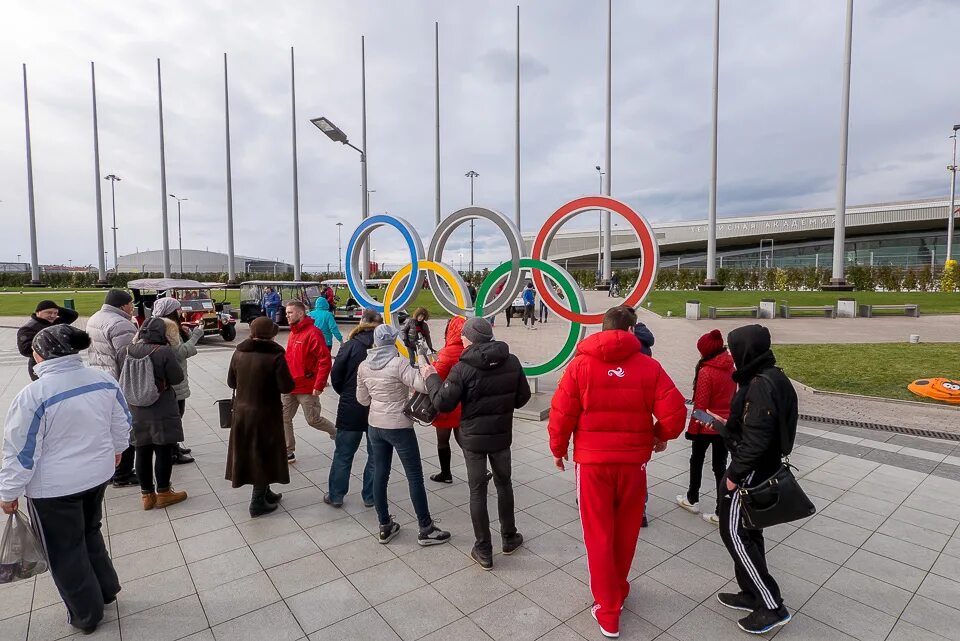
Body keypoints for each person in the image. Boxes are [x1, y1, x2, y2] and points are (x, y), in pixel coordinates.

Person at [548, 306, 686, 639]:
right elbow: (676, 411)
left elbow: (562, 411)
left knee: (598, 534)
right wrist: (659, 435)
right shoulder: (649, 366)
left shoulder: (580, 365)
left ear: (602, 327)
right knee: (626, 531)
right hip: (633, 465)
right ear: (633, 329)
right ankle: (617, 590)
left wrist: (558, 448)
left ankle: (607, 609)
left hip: (593, 466)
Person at [0, 325, 129, 635]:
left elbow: (20, 450)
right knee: (89, 531)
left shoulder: (34, 394)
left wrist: (9, 491)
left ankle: (87, 612)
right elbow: (122, 421)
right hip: (97, 475)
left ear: (42, 354)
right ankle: (106, 588)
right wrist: (117, 449)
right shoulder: (103, 379)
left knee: (65, 548)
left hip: (54, 489)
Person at [423, 317, 531, 569]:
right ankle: (509, 537)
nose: (460, 338)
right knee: (504, 485)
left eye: (463, 335)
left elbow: (442, 402)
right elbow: (522, 398)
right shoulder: (511, 361)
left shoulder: (463, 368)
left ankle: (483, 548)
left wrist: (430, 377)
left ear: (470, 338)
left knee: (477, 490)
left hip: (473, 437)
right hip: (501, 435)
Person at [715, 324, 797, 635]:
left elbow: (758, 438)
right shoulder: (771, 376)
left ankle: (771, 604)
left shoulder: (761, 384)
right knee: (750, 531)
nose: (732, 356)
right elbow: (759, 428)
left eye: (734, 349)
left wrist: (734, 476)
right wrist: (730, 426)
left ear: (745, 351)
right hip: (761, 466)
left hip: (749, 471)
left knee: (734, 533)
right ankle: (750, 592)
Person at [356, 324, 450, 546]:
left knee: (380, 474)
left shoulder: (363, 366)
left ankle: (384, 525)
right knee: (414, 476)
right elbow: (423, 385)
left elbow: (362, 399)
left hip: (375, 425)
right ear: (393, 341)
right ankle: (425, 528)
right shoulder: (397, 363)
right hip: (399, 425)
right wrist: (423, 362)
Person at [226, 317, 296, 517]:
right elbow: (286, 386)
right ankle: (257, 501)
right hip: (266, 412)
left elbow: (231, 382)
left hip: (242, 412)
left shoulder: (239, 352)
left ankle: (265, 491)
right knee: (263, 453)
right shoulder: (275, 356)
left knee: (252, 451)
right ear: (270, 334)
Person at [118, 317, 188, 511]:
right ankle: (164, 492)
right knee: (163, 449)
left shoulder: (125, 350)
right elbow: (177, 377)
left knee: (142, 450)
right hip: (161, 405)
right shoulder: (163, 351)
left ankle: (147, 495)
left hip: (135, 407)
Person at [325, 309, 382, 508]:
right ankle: (370, 496)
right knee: (375, 456)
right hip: (377, 408)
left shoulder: (349, 346)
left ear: (362, 321)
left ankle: (336, 495)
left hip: (351, 407)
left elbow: (336, 375)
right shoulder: (385, 347)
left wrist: (347, 394)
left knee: (343, 454)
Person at [677, 329, 734, 526]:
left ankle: (692, 498)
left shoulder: (706, 371)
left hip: (705, 426)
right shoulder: (730, 368)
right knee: (720, 467)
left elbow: (699, 407)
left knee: (697, 461)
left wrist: (692, 431)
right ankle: (721, 510)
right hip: (724, 427)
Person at [86, 289, 140, 488]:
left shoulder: (95, 318)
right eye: (131, 303)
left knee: (109, 428)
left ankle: (110, 470)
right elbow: (128, 358)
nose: (132, 307)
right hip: (119, 381)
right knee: (125, 428)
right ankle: (123, 473)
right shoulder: (120, 324)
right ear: (123, 305)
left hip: (101, 378)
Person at [282, 301, 335, 462]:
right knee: (283, 418)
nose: (287, 316)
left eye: (290, 312)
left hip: (307, 387)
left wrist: (319, 385)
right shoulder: (293, 333)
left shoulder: (313, 333)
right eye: (286, 313)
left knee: (313, 420)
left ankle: (336, 433)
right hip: (289, 386)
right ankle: (288, 451)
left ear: (300, 313)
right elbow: (289, 359)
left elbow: (325, 360)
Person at [153, 297, 202, 465]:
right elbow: (179, 353)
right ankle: (173, 452)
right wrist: (196, 336)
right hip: (174, 380)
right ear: (171, 311)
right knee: (175, 416)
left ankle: (174, 447)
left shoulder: (157, 324)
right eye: (178, 308)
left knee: (175, 415)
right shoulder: (169, 327)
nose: (181, 311)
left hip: (169, 378)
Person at [427, 316, 466, 484]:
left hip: (446, 403)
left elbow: (437, 376)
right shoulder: (469, 349)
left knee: (443, 441)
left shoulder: (446, 352)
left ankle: (446, 473)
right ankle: (478, 469)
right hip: (464, 404)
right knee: (464, 440)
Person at [17, 300, 80, 381]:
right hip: (41, 366)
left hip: (59, 364)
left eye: (55, 313)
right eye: (48, 312)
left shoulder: (55, 322)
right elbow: (25, 350)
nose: (53, 315)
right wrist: (53, 348)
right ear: (38, 312)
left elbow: (73, 315)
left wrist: (54, 307)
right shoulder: (28, 328)